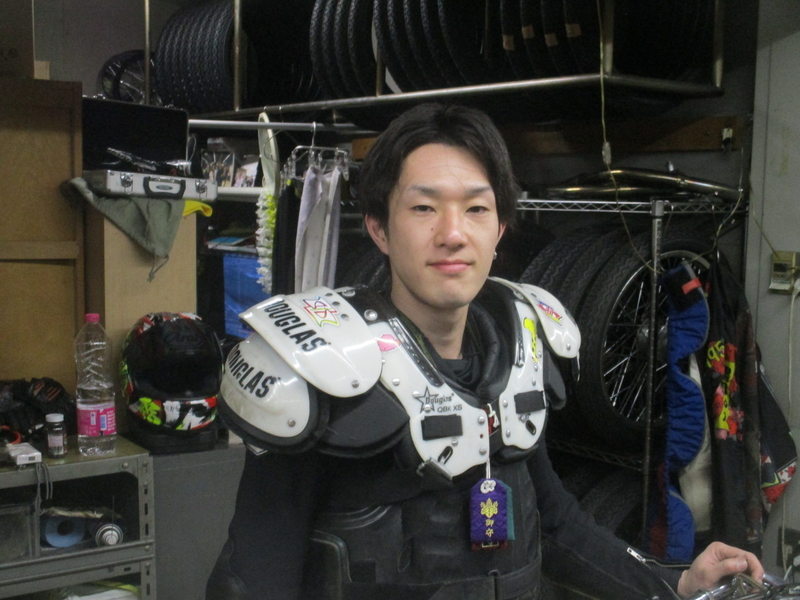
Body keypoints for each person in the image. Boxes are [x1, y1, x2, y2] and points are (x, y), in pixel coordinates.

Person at [207, 103, 764, 600]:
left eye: (476, 209)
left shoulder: (519, 353)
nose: (453, 234)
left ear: (500, 228)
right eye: (424, 208)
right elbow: (253, 579)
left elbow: (555, 525)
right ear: (378, 227)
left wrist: (673, 583)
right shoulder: (323, 371)